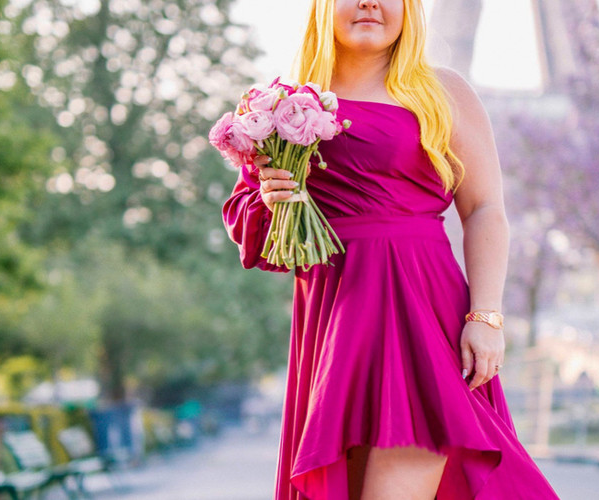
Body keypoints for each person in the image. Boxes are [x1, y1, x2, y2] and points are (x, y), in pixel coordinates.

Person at [222, 0, 560, 498]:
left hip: (422, 314)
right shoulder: (280, 107)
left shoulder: (443, 92)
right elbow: (253, 227)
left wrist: (486, 317)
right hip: (336, 323)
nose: (369, 3)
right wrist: (274, 200)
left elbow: (485, 208)